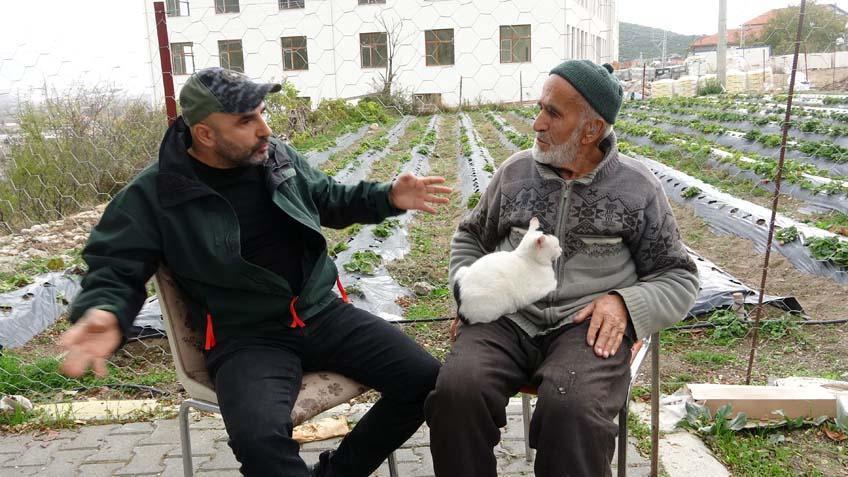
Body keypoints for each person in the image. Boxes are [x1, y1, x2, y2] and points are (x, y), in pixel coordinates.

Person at [58, 67, 451, 477]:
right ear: (205, 134)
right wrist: (104, 309)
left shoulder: (276, 156)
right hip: (246, 336)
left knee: (427, 380)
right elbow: (115, 263)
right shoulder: (157, 193)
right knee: (259, 442)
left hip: (320, 313)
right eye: (246, 120)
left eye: (263, 113)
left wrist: (388, 197)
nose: (265, 129)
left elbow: (330, 199)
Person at [424, 60, 700, 477]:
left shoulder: (637, 188)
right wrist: (467, 295)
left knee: (571, 409)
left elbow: (678, 274)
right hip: (507, 317)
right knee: (456, 392)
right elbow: (470, 237)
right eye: (540, 108)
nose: (536, 123)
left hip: (585, 326)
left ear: (591, 129)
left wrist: (626, 304)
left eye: (552, 113)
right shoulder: (514, 174)